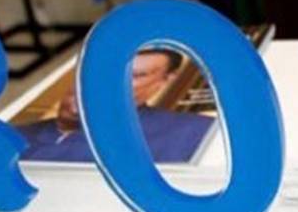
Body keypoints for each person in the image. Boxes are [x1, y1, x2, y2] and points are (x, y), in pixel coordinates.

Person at [16, 49, 214, 163]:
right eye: (106, 69)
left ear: (165, 80)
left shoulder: (193, 132)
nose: (113, 82)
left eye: (136, 76)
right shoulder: (14, 136)